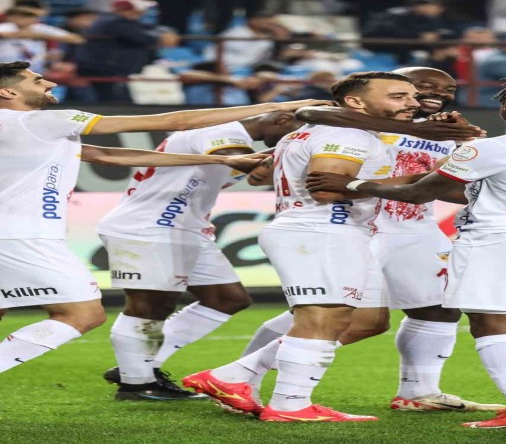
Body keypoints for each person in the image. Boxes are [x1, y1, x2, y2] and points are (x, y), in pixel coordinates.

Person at [230, 67, 506, 415]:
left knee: (441, 307)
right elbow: (309, 116)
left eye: (447, 89)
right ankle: (243, 378)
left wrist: (467, 161)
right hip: (356, 225)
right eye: (420, 87)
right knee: (339, 315)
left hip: (414, 228)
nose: (435, 94)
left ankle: (419, 391)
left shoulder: (450, 132)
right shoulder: (353, 122)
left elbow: (455, 188)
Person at [305, 79, 506, 430]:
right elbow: (489, 185)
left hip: (503, 239)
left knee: (493, 324)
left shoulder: (492, 148)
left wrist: (353, 185)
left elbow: (420, 193)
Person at [0, 60, 331, 375]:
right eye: (37, 80)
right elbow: (178, 121)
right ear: (8, 91)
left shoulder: (26, 129)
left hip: (16, 231)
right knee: (83, 314)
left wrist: (217, 161)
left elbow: (106, 154)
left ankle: (140, 374)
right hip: (24, 234)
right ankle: (136, 377)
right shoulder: (42, 122)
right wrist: (279, 105)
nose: (50, 82)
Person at [182, 71, 424, 423]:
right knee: (323, 317)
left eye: (412, 96)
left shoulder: (323, 131)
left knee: (365, 320)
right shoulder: (347, 134)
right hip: (322, 230)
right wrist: (418, 180)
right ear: (355, 101)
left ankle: (234, 376)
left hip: (333, 231)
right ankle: (290, 405)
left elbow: (260, 175)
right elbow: (326, 190)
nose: (413, 103)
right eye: (398, 96)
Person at [95, 112, 305, 401]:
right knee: (149, 303)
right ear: (281, 118)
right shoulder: (221, 129)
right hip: (148, 226)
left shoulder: (239, 141)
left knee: (227, 298)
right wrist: (303, 151)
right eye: (296, 130)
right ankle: (136, 384)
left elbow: (257, 176)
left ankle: (138, 365)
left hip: (186, 227)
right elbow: (239, 159)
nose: (295, 137)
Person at [74, 0, 179, 102]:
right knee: (112, 100)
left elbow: (149, 28)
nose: (142, 13)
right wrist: (161, 37)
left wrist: (166, 31)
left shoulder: (122, 21)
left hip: (110, 68)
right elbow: (144, 38)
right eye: (138, 10)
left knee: (117, 98)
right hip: (105, 68)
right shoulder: (114, 22)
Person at [0, 7, 85, 74]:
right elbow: (4, 34)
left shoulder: (40, 28)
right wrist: (32, 35)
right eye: (19, 16)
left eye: (28, 16)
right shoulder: (6, 26)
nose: (23, 19)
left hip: (34, 70)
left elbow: (77, 39)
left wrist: (40, 35)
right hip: (6, 70)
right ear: (10, 17)